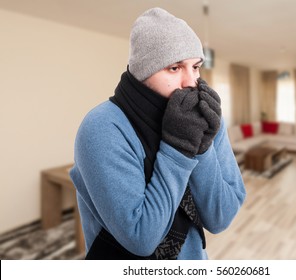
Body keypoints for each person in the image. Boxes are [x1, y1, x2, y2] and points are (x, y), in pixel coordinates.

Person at [70, 7, 246, 260]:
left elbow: (220, 217)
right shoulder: (103, 127)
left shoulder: (204, 117)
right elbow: (141, 239)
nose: (191, 82)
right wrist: (178, 149)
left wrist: (202, 146)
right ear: (143, 71)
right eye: (174, 68)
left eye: (195, 67)